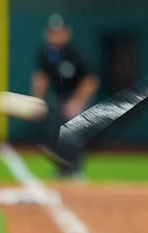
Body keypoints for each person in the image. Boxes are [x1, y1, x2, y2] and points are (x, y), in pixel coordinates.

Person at [31, 14, 99, 180]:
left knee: (72, 133)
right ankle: (62, 170)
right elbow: (41, 77)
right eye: (52, 32)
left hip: (74, 97)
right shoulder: (46, 52)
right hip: (57, 97)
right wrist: (37, 100)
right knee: (53, 134)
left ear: (66, 33)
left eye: (59, 32)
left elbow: (90, 80)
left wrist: (77, 101)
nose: (55, 35)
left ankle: (75, 171)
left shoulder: (74, 53)